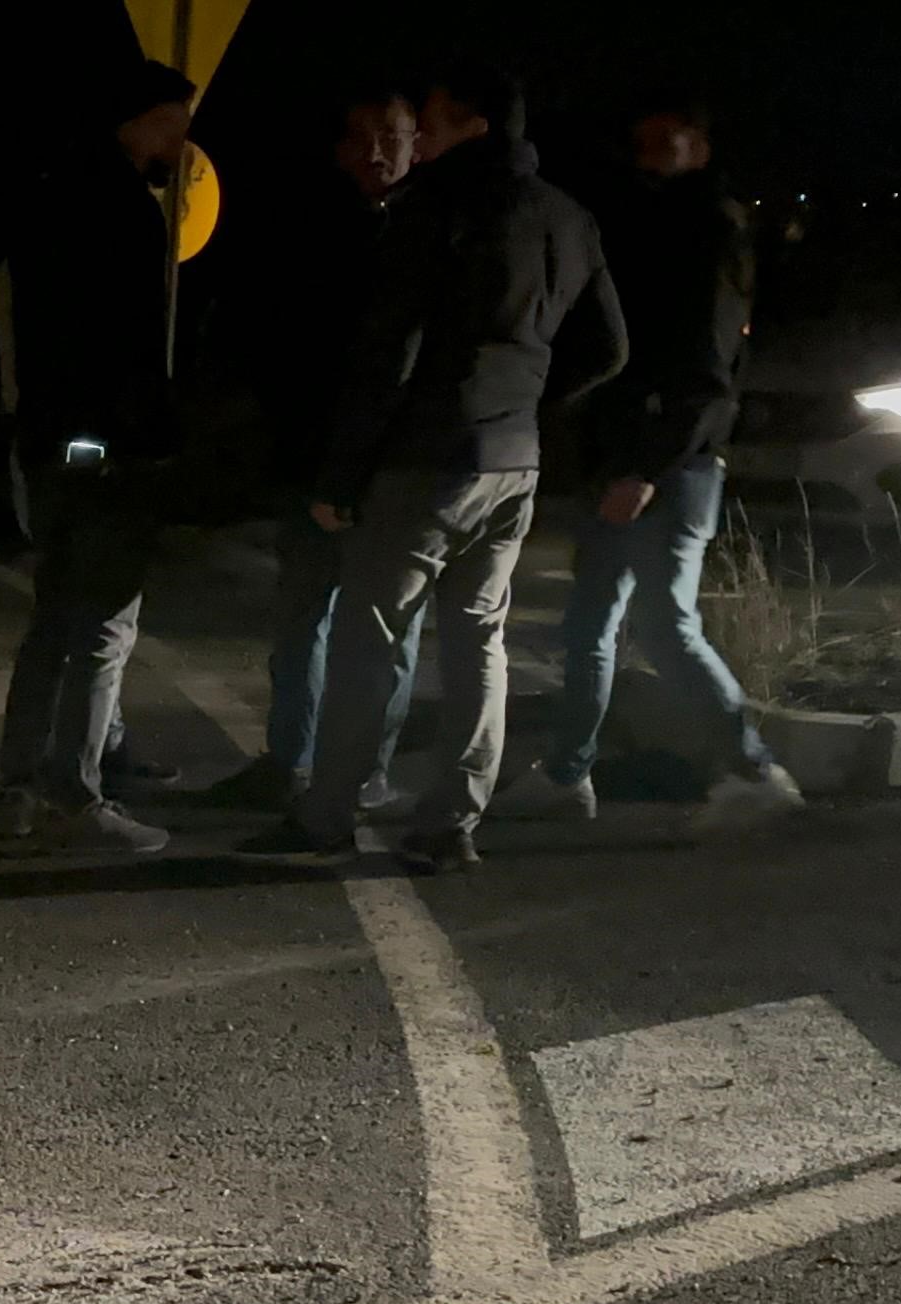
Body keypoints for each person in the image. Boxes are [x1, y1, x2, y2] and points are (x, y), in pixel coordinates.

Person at [241, 62, 626, 874]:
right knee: (478, 641)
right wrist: (525, 398)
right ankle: (452, 820)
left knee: (368, 640)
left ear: (472, 122)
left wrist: (340, 479)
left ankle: (328, 814)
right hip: (514, 457)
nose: (425, 134)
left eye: (435, 119)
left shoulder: (438, 207)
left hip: (429, 456)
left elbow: (391, 351)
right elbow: (608, 349)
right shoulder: (568, 215)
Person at [504, 97, 805, 826]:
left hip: (666, 465)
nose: (647, 149)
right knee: (590, 625)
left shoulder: (706, 230)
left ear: (699, 144)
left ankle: (754, 768)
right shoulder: (658, 219)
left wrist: (644, 467)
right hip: (630, 458)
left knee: (663, 623)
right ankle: (569, 773)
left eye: (665, 138)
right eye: (639, 137)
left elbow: (703, 373)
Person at [0, 60, 201, 855]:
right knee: (103, 626)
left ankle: (17, 786)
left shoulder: (44, 192)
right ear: (138, 120)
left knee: (52, 617)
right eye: (173, 121)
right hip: (109, 451)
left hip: (49, 440)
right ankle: (76, 796)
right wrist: (153, 442)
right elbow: (134, 350)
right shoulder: (127, 211)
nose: (182, 140)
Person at [207, 85, 422, 813]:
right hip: (314, 463)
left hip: (396, 471)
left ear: (417, 141)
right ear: (338, 150)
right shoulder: (312, 232)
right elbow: (280, 347)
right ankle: (289, 760)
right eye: (362, 136)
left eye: (391, 134)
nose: (376, 150)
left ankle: (367, 771)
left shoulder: (435, 232)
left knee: (385, 634)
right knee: (301, 624)